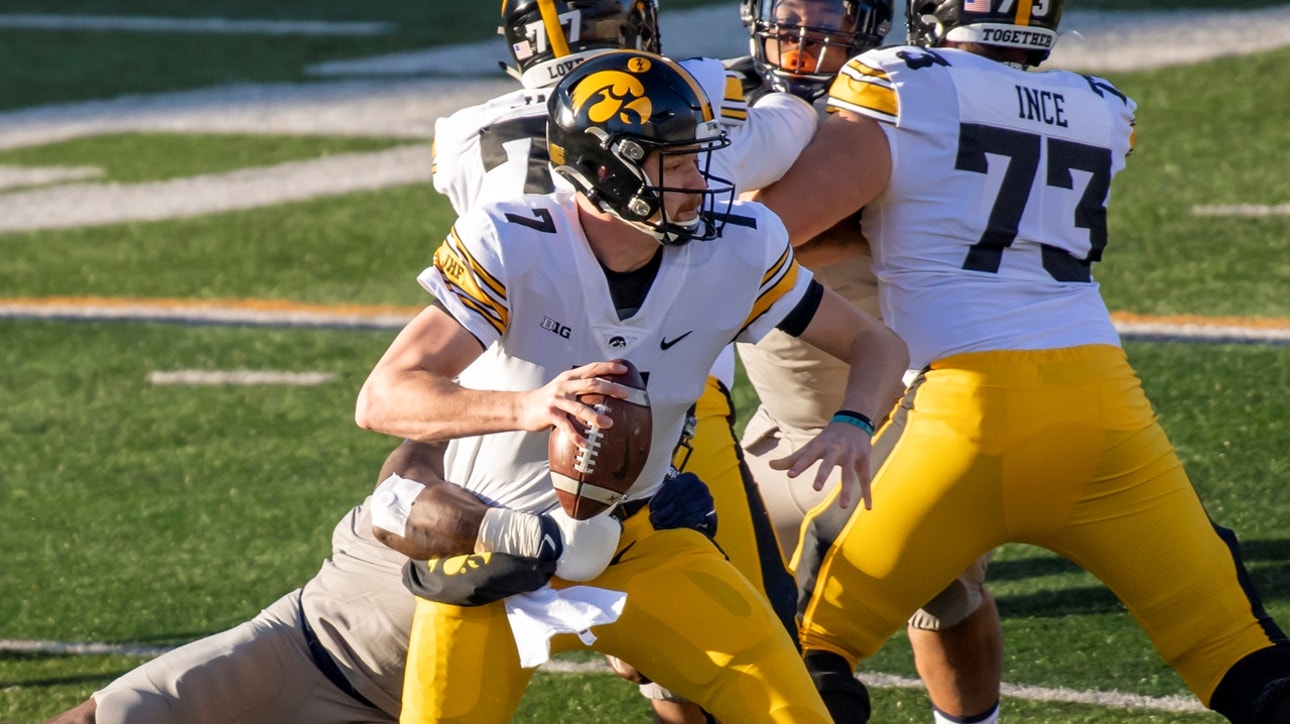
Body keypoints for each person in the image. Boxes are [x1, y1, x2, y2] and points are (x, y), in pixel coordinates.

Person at [749, 2, 1290, 723]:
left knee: (809, 649)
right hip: (1107, 414)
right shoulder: (1100, 107)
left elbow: (768, 234)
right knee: (1239, 650)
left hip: (965, 417)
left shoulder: (902, 84)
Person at [354, 49, 909, 723]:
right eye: (673, 163)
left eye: (696, 158)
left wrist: (852, 423)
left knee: (792, 713)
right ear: (603, 171)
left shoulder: (738, 244)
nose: (698, 181)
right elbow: (383, 397)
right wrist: (531, 406)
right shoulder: (514, 243)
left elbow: (876, 343)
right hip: (495, 540)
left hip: (640, 534)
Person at [429, 2, 822, 720]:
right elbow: (784, 130)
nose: (698, 178)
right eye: (676, 159)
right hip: (532, 465)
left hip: (632, 441)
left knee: (766, 677)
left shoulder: (465, 132)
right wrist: (793, 93)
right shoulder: (688, 86)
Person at [736, 1, 1005, 722]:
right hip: (781, 422)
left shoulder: (890, 106)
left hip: (896, 407)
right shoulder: (721, 101)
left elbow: (762, 234)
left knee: (945, 590)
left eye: (829, 18)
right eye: (791, 16)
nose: (806, 37)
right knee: (695, 586)